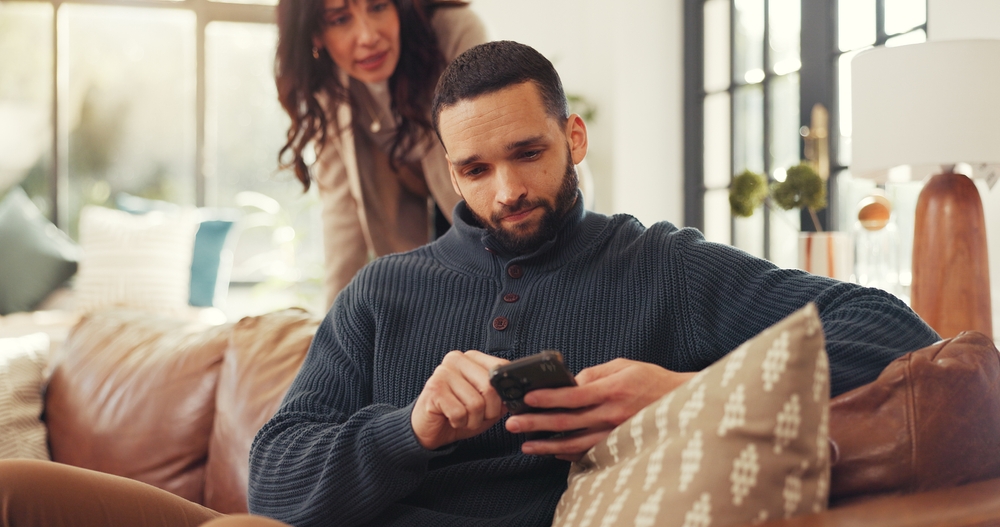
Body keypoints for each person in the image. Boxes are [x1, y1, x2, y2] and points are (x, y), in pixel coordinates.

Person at [0, 40, 938, 527]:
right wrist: (409, 428)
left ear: (573, 139)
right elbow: (276, 480)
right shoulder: (384, 289)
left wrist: (683, 396)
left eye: (528, 154)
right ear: (450, 171)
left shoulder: (661, 265)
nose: (508, 190)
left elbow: (894, 333)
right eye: (476, 169)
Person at [275, 0, 487, 308]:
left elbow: (492, 159)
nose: (368, 36)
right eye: (340, 19)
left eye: (377, 7)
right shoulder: (331, 85)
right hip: (411, 212)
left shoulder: (455, 30)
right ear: (316, 34)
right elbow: (342, 210)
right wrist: (332, 328)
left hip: (482, 194)